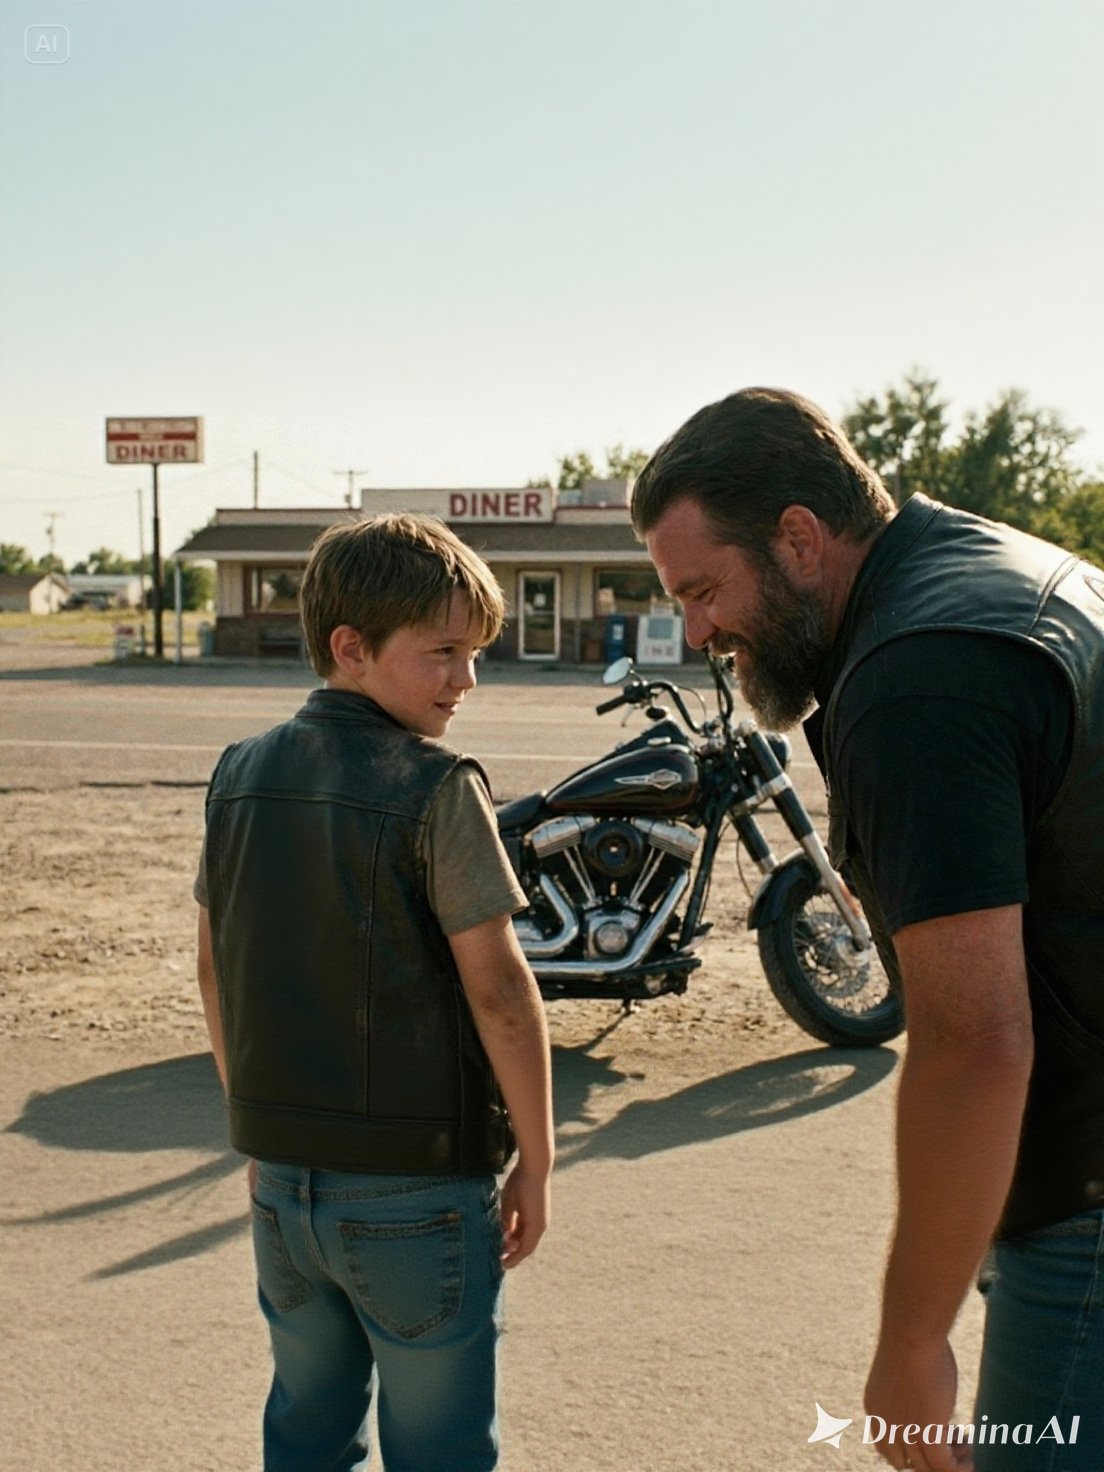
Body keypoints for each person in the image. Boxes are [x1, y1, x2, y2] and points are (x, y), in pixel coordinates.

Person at [631, 387, 1104, 1472]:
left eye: (705, 589)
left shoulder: (915, 677)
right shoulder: (1018, 569)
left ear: (799, 536)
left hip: (1085, 1192)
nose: (698, 630)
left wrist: (910, 1341)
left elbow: (975, 1042)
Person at [194, 512, 554, 1472]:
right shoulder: (437, 786)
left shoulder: (236, 775)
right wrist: (540, 1160)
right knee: (440, 1449)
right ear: (350, 649)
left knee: (307, 1432)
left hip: (281, 1181)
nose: (465, 680)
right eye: (442, 651)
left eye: (475, 653)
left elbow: (212, 965)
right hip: (418, 1191)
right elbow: (503, 993)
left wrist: (259, 1126)